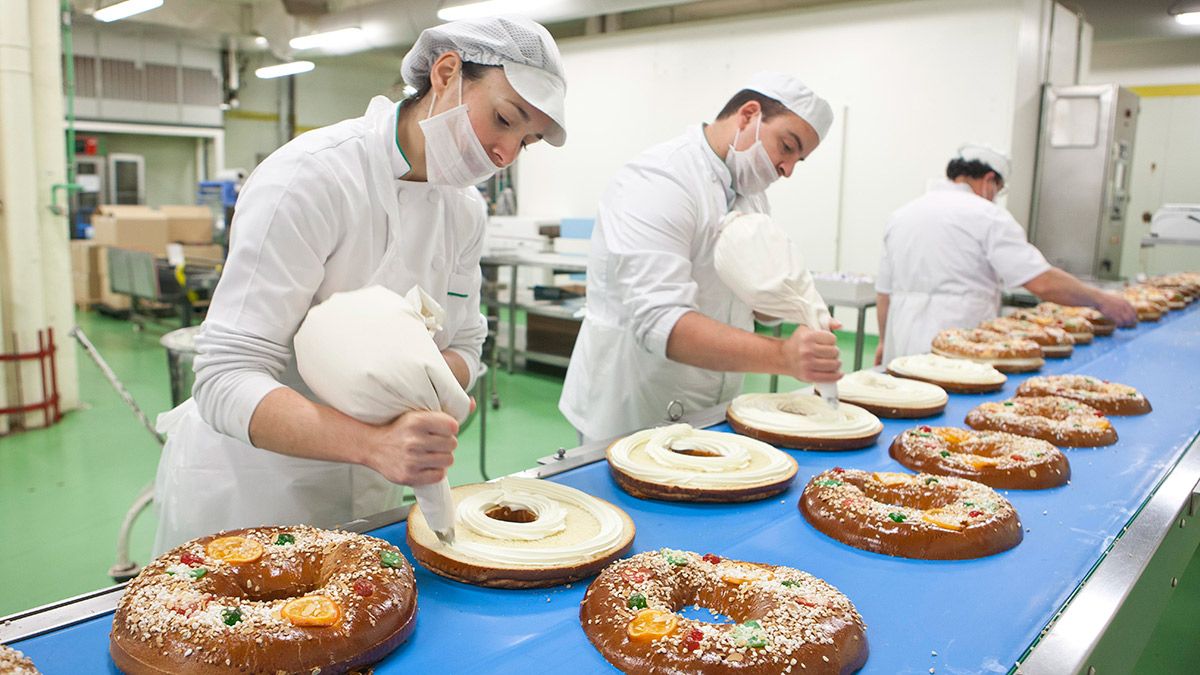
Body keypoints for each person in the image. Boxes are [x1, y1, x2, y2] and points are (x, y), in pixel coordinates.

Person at [152, 16, 567, 553]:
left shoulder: (464, 211)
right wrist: (373, 443)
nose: (505, 154)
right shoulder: (312, 176)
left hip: (373, 492)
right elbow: (225, 378)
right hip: (258, 487)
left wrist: (431, 395)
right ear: (446, 74)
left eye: (526, 141)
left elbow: (465, 343)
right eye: (504, 119)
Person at [559, 72, 841, 445]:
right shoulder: (660, 179)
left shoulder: (750, 194)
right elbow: (661, 320)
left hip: (711, 408)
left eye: (798, 160)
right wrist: (784, 357)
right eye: (787, 147)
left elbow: (751, 290)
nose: (787, 169)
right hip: (633, 407)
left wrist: (790, 304)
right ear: (748, 115)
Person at [874, 145, 1137, 365]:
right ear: (989, 181)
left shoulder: (902, 214)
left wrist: (884, 342)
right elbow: (1041, 282)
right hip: (956, 344)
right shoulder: (987, 215)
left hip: (902, 341)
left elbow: (884, 291)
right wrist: (1102, 300)